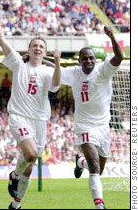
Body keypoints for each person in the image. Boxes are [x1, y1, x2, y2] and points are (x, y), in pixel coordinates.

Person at [0, 2, 61, 210]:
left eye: (41, 46)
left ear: (44, 51)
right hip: (19, 117)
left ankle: (16, 204)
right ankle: (14, 175)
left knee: (30, 168)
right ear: (29, 49)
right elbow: (1, 40)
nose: (38, 48)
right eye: (34, 45)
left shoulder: (48, 71)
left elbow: (56, 85)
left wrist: (56, 63)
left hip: (40, 121)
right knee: (29, 155)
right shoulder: (19, 64)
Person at [60, 26, 124, 209]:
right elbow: (56, 67)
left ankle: (79, 162)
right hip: (84, 125)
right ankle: (99, 206)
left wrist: (112, 36)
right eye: (85, 58)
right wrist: (38, 59)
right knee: (95, 167)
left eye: (91, 58)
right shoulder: (74, 73)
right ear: (79, 60)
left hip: (103, 126)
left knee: (99, 170)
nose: (88, 61)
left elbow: (119, 57)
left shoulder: (103, 71)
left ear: (95, 60)